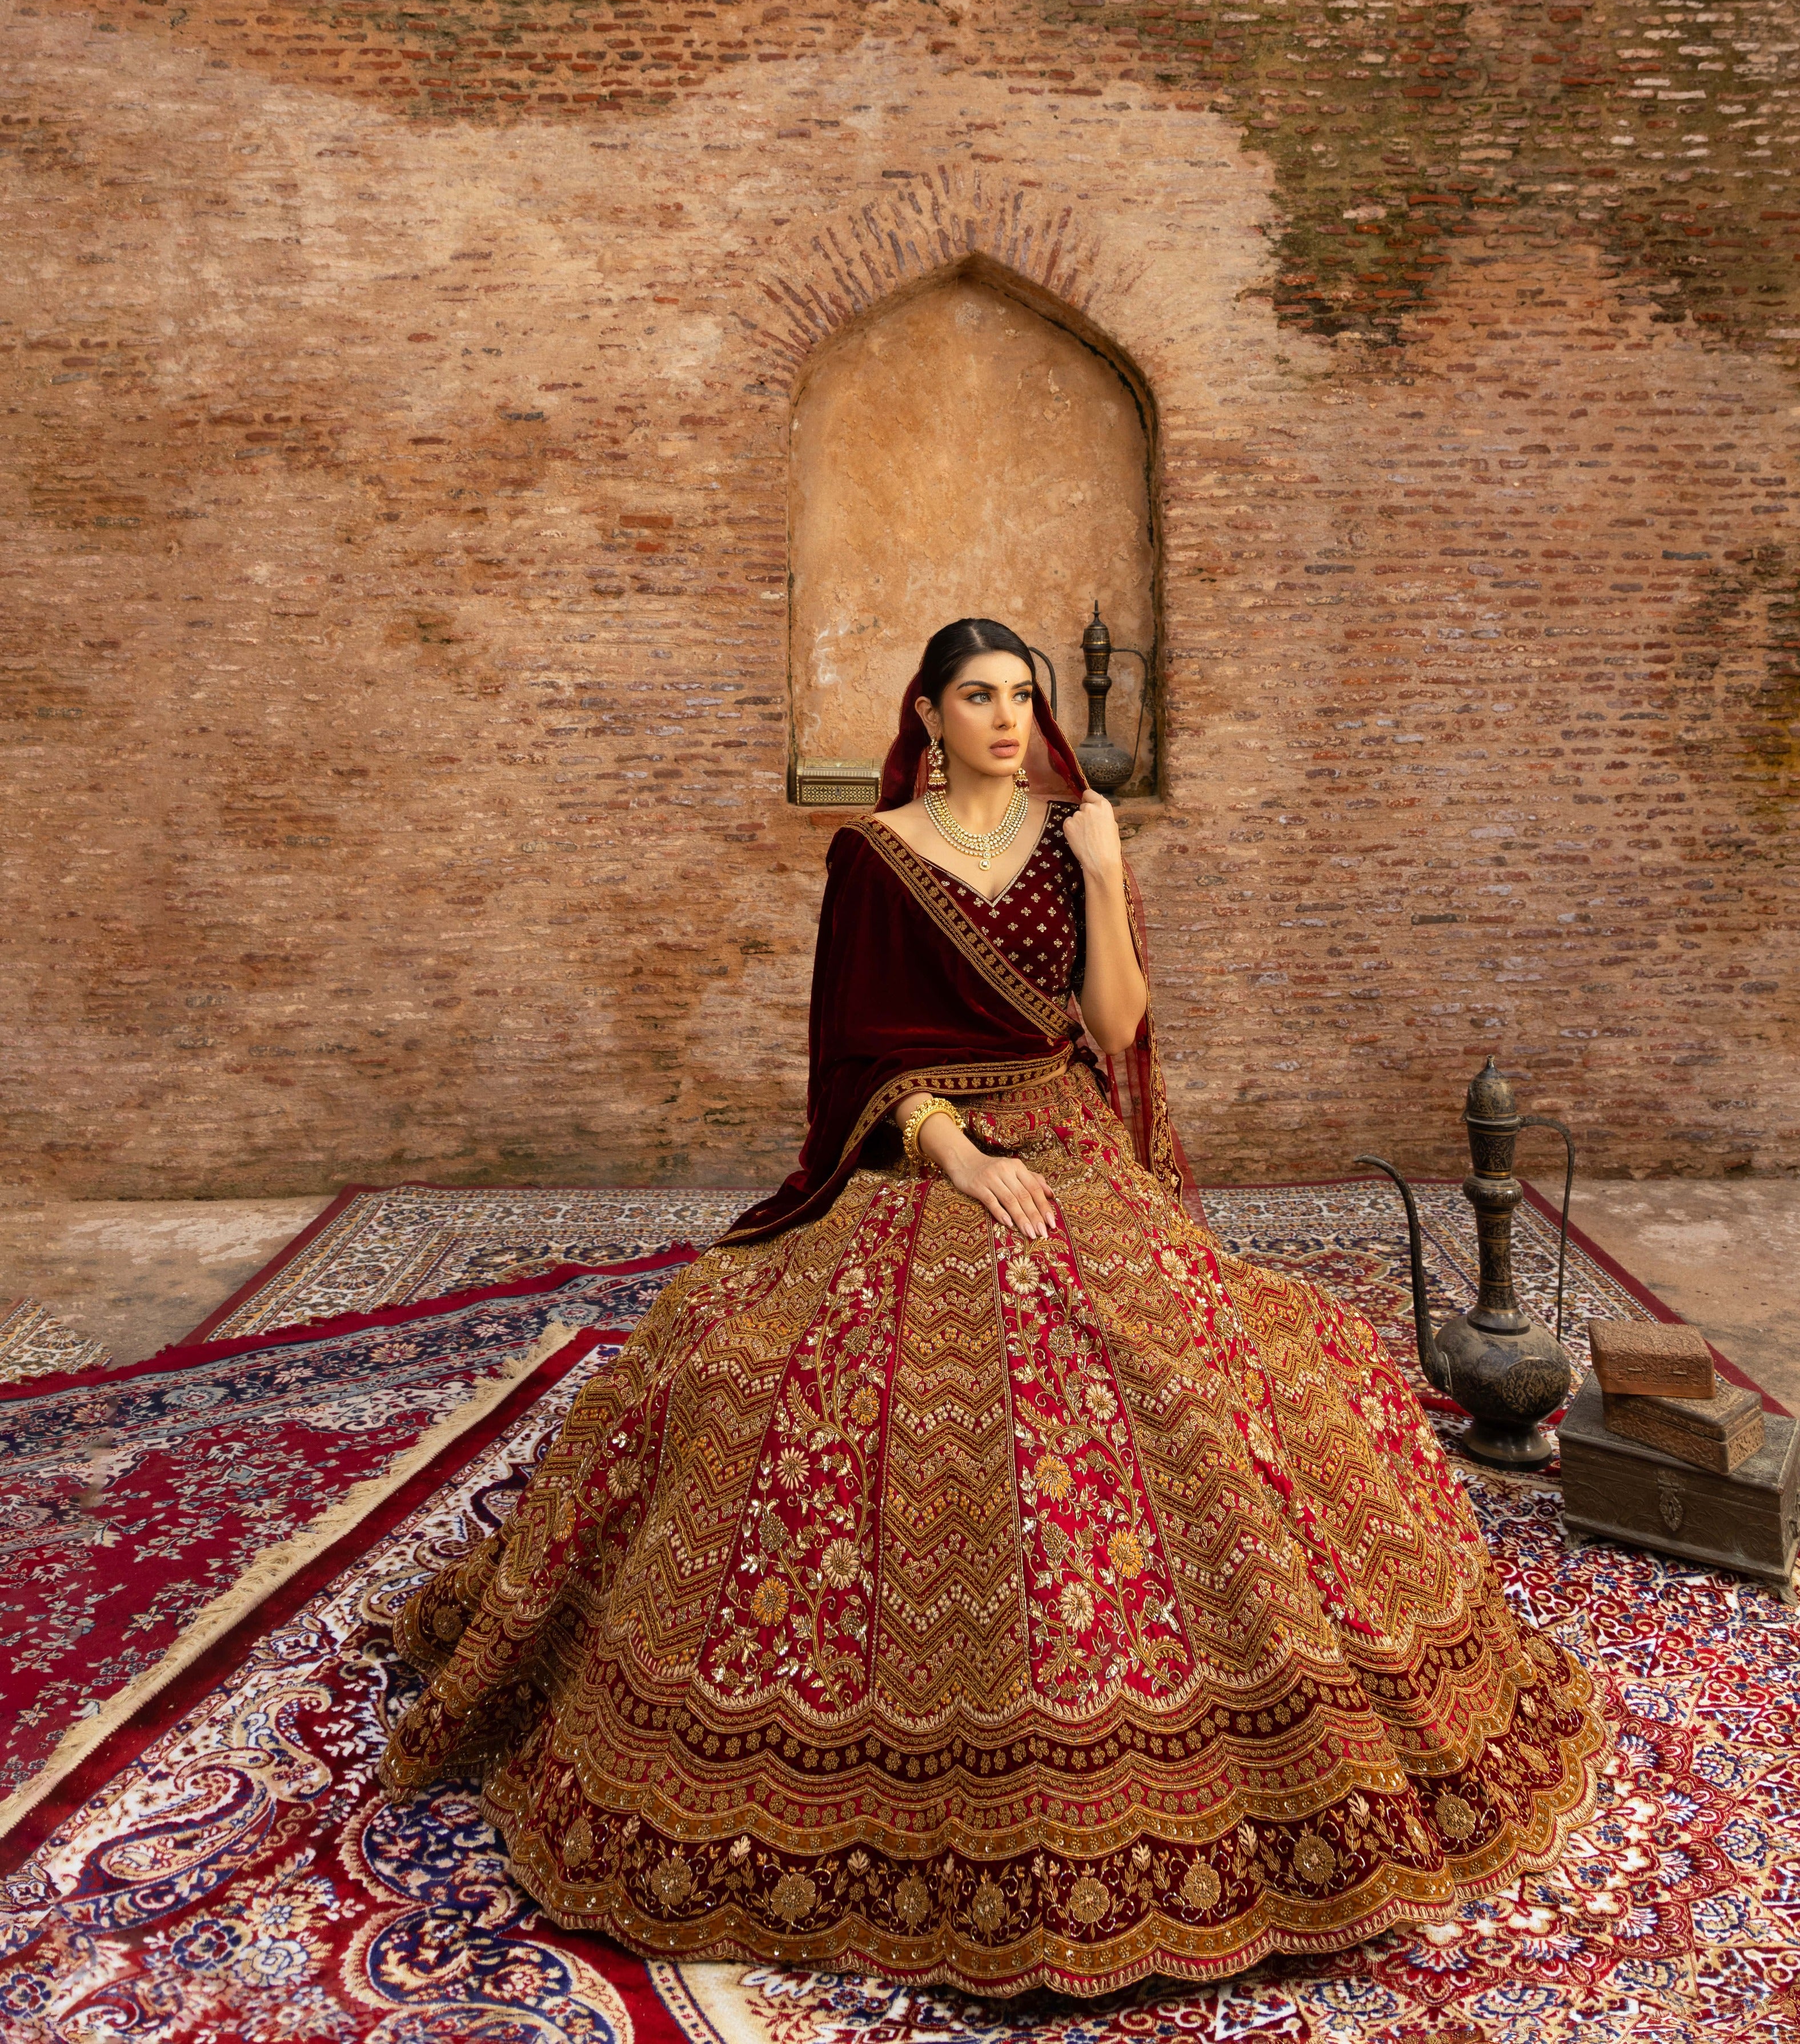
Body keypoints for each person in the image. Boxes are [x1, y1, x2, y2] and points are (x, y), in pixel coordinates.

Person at [379, 617, 1605, 1997]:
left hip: (1066, 1134)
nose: (1009, 719)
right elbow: (848, 1057)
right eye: (980, 696)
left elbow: (1117, 1029)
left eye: (1024, 696)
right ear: (927, 710)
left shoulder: (1068, 834)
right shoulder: (875, 855)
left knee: (1195, 1366)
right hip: (921, 1148)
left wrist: (1107, 869)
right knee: (773, 1375)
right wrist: (954, 1151)